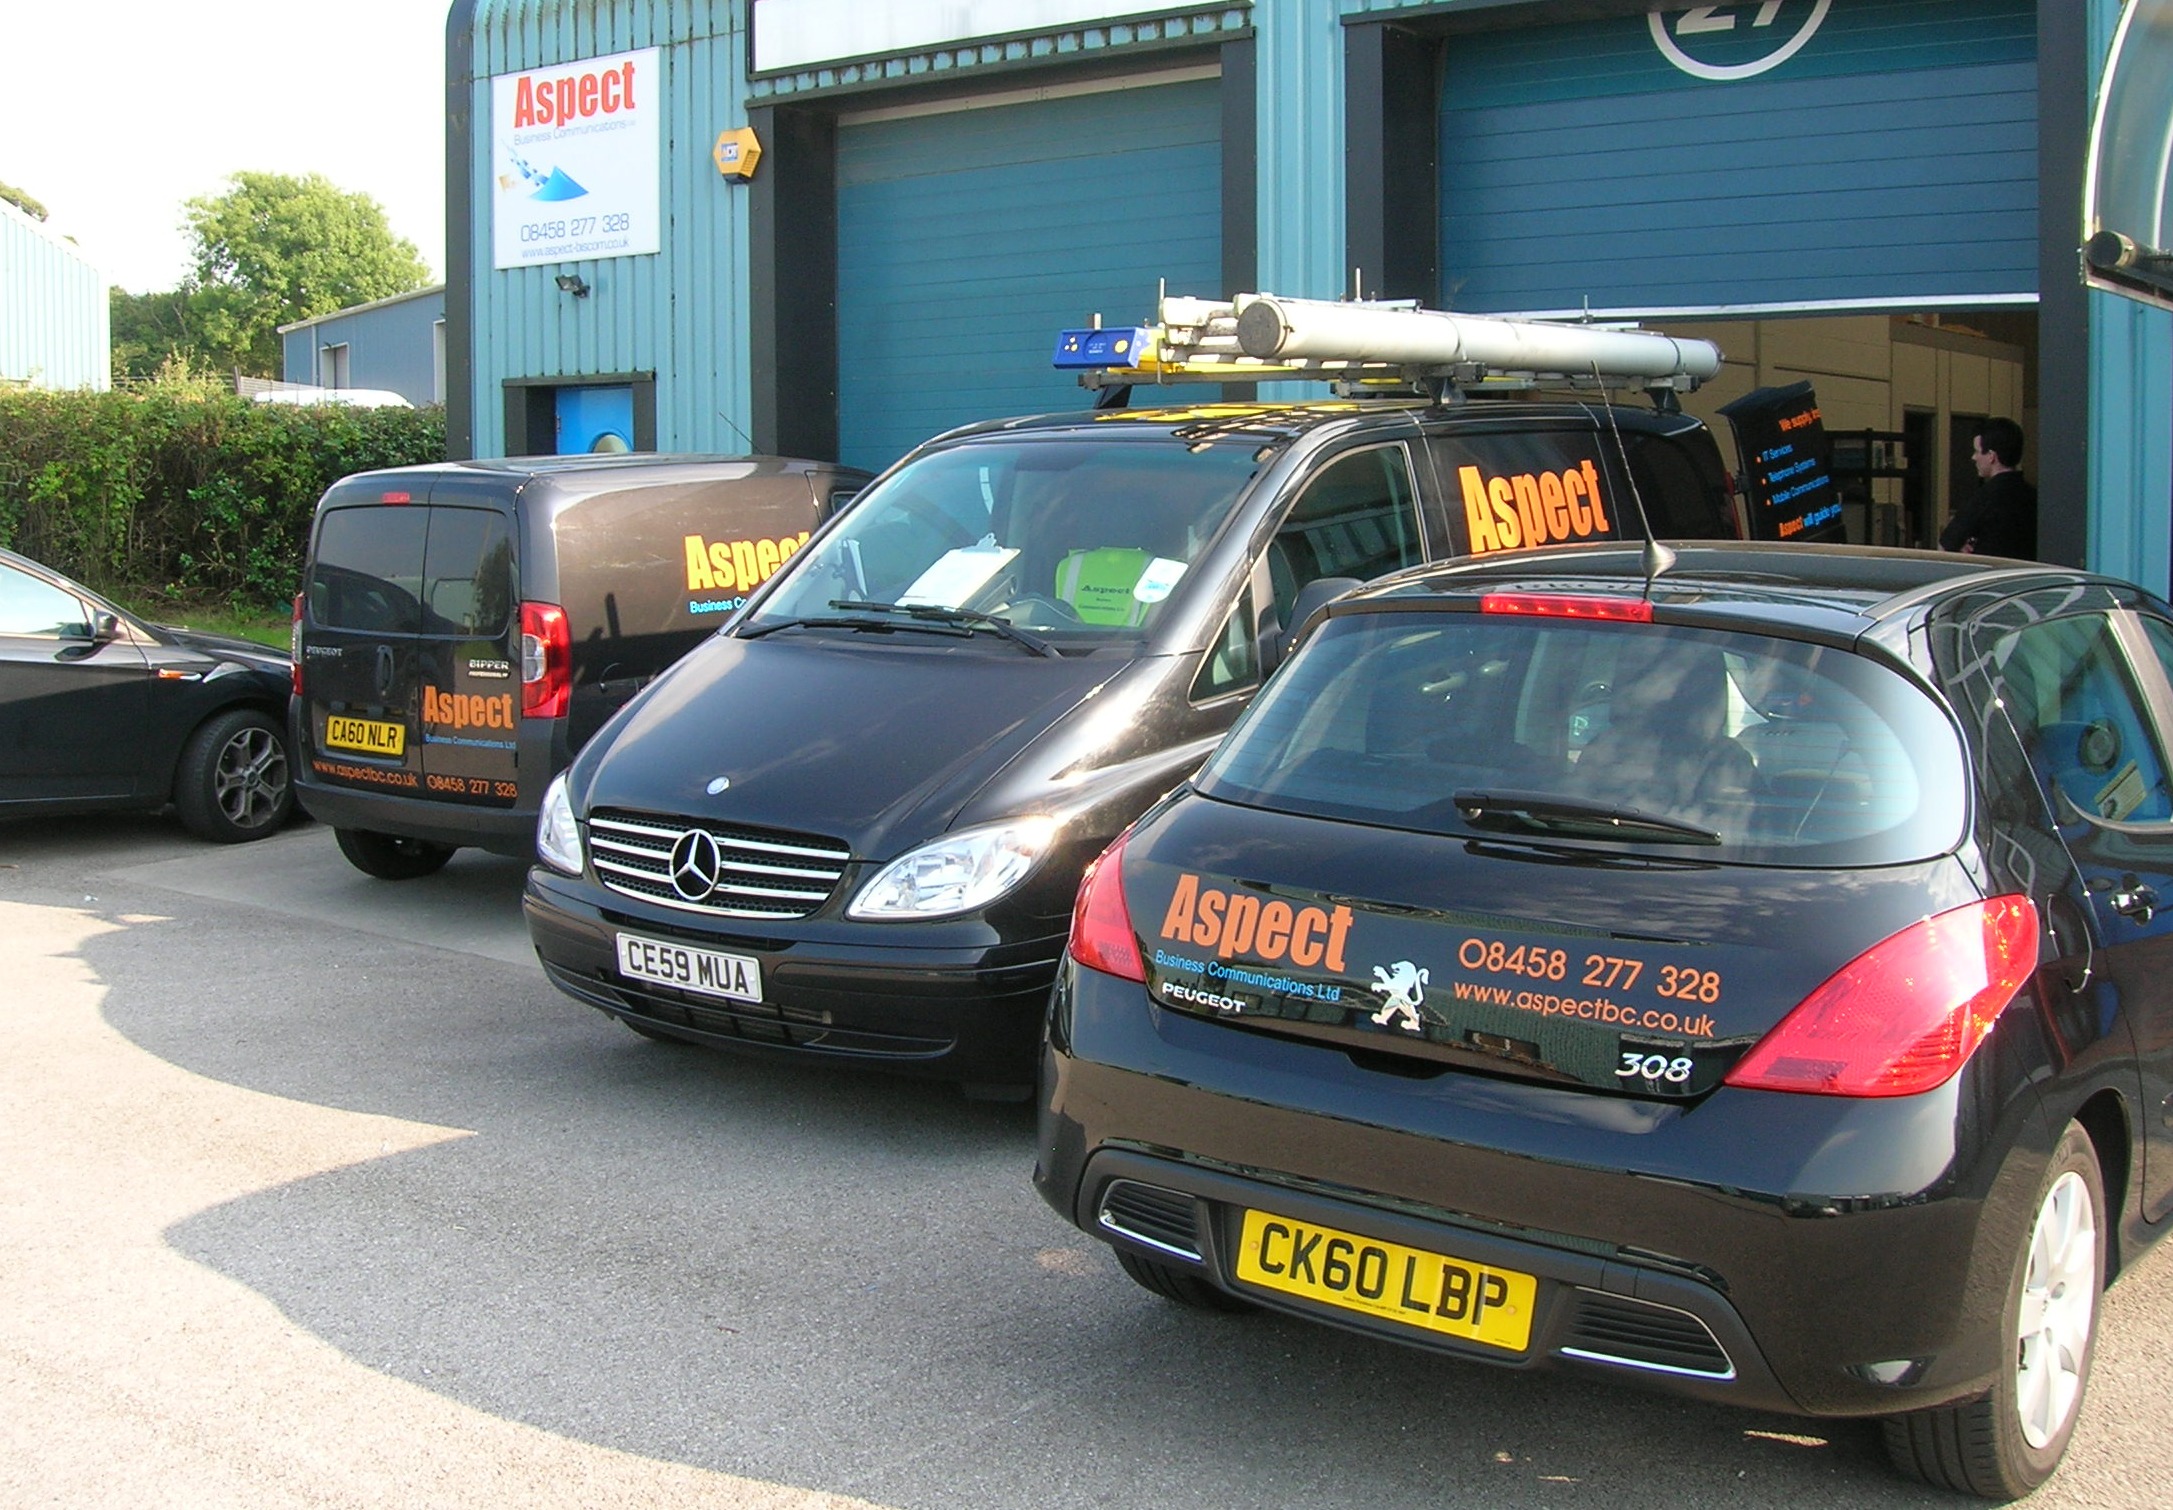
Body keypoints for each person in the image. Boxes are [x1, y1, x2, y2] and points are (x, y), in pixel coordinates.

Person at [1940, 417, 2037, 558]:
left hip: (1992, 575)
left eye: (1977, 451)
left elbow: (1945, 547)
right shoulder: (2033, 497)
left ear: (1991, 456)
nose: (1974, 457)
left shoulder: (1984, 498)